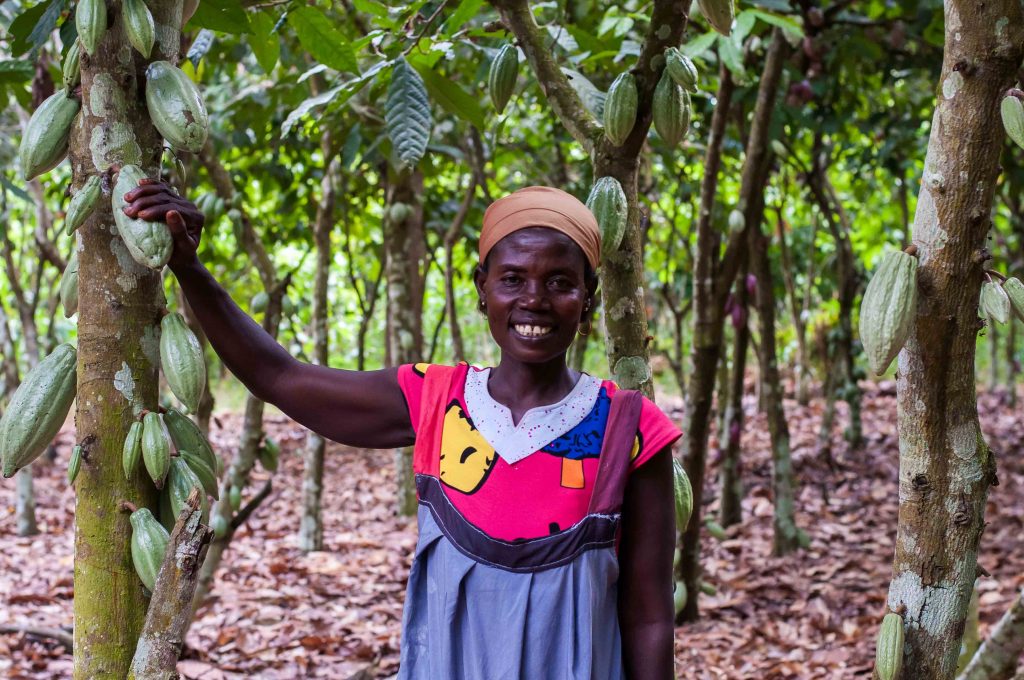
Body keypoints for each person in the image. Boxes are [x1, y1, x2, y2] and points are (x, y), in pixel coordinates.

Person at [122, 181, 682, 679]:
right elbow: (280, 377)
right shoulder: (437, 401)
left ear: (589, 300)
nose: (534, 299)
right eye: (513, 278)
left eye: (560, 282)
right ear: (482, 287)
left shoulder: (628, 430)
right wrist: (188, 267)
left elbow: (650, 615)